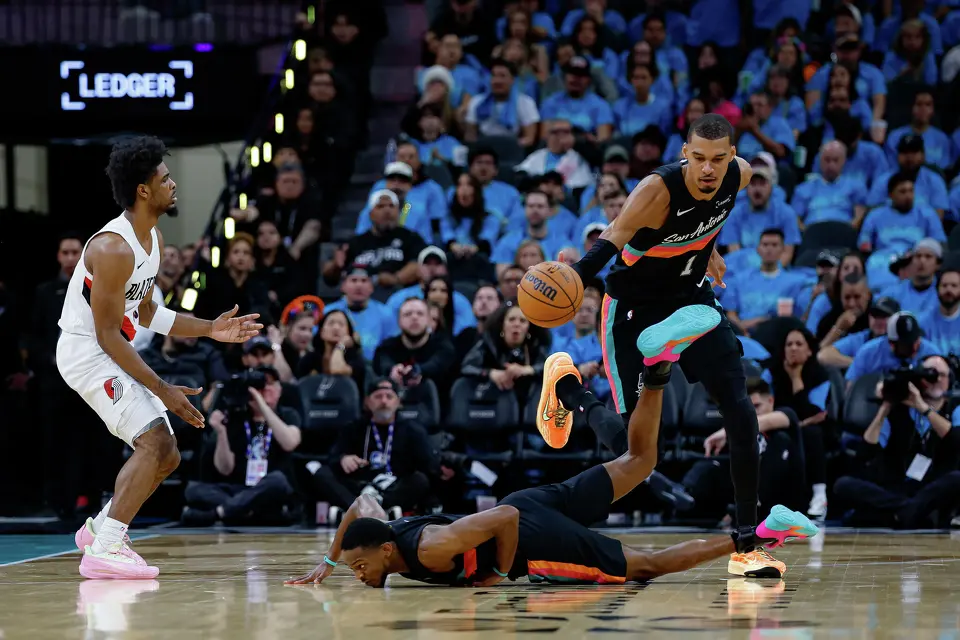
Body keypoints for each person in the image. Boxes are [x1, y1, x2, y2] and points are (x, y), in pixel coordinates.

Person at [286, 306, 818, 587]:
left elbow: (502, 524)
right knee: (642, 460)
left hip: (528, 531)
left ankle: (761, 530)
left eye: (359, 569)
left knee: (647, 567)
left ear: (385, 552)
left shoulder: (429, 548)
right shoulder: (380, 536)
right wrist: (329, 563)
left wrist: (495, 575)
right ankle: (644, 371)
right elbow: (361, 507)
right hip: (531, 501)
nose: (360, 579)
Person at [537, 114, 794, 577]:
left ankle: (747, 542)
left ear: (732, 158)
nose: (709, 169)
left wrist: (707, 248)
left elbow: (706, 222)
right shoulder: (656, 190)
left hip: (691, 300)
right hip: (632, 309)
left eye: (719, 159)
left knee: (741, 410)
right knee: (637, 452)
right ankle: (569, 390)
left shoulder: (742, 176)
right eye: (698, 158)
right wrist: (575, 276)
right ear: (684, 155)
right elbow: (612, 239)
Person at [59, 136, 262, 579]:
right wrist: (163, 388)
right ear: (143, 190)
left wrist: (211, 327)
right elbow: (109, 335)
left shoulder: (150, 237)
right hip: (88, 352)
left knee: (168, 454)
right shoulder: (113, 248)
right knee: (153, 442)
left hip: (111, 348)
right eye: (166, 179)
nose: (174, 185)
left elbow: (148, 312)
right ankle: (106, 548)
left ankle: (99, 530)